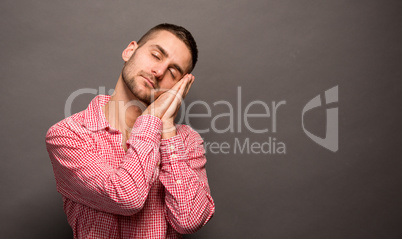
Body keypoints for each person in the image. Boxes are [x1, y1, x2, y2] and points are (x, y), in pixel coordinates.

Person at [46, 23, 215, 238]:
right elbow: (127, 197)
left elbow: (189, 220)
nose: (159, 71)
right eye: (156, 55)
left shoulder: (186, 141)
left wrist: (168, 129)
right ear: (130, 51)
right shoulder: (67, 135)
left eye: (173, 72)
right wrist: (151, 118)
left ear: (179, 86)